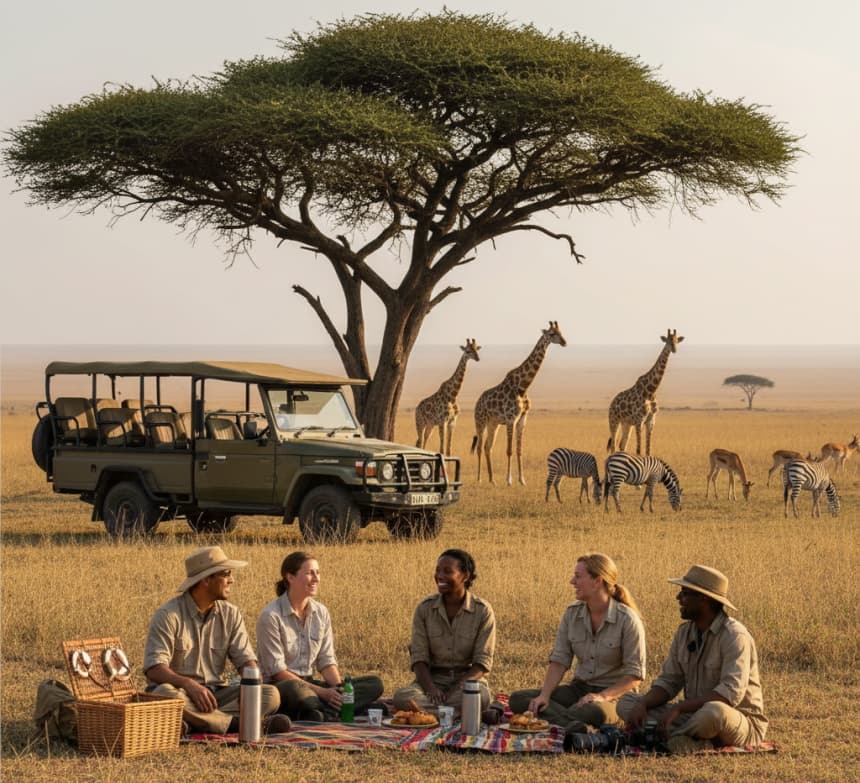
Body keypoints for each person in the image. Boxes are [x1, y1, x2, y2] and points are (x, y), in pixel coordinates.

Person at [617, 564, 768, 755]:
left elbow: (729, 695)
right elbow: (669, 682)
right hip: (692, 715)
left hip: (737, 721)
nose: (678, 598)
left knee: (714, 712)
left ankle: (665, 738)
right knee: (627, 702)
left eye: (684, 593)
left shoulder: (734, 636)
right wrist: (644, 703)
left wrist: (679, 708)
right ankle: (689, 739)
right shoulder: (684, 633)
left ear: (703, 598)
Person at [143, 546, 290, 735]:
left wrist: (252, 677)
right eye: (226, 574)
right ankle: (235, 725)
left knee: (270, 694)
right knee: (164, 694)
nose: (232, 580)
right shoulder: (168, 615)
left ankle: (192, 722)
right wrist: (189, 685)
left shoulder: (231, 613)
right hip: (181, 693)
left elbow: (246, 661)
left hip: (215, 695)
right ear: (206, 579)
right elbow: (154, 668)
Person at [509, 553, 646, 736]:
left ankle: (556, 720)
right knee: (519, 699)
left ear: (597, 581)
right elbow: (559, 661)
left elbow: (634, 676)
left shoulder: (627, 619)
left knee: (592, 712)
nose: (572, 581)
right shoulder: (571, 613)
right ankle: (574, 725)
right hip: (579, 690)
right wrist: (545, 695)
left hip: (614, 696)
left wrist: (602, 696)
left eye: (578, 576)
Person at [256, 551, 384, 721]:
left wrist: (338, 692)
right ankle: (337, 709)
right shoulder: (271, 616)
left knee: (374, 684)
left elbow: (326, 661)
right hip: (284, 686)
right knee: (298, 693)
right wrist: (323, 693)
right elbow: (278, 671)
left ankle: (324, 712)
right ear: (290, 577)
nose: (316, 578)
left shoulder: (321, 612)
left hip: (311, 685)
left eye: (318, 572)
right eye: (309, 573)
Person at [393, 549, 496, 715]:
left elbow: (482, 664)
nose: (439, 576)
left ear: (465, 576)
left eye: (448, 571)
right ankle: (456, 713)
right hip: (433, 680)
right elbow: (419, 658)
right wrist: (431, 690)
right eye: (438, 570)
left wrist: (455, 690)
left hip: (466, 681)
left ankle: (430, 713)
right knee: (402, 697)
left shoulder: (483, 611)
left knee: (481, 697)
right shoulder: (424, 609)